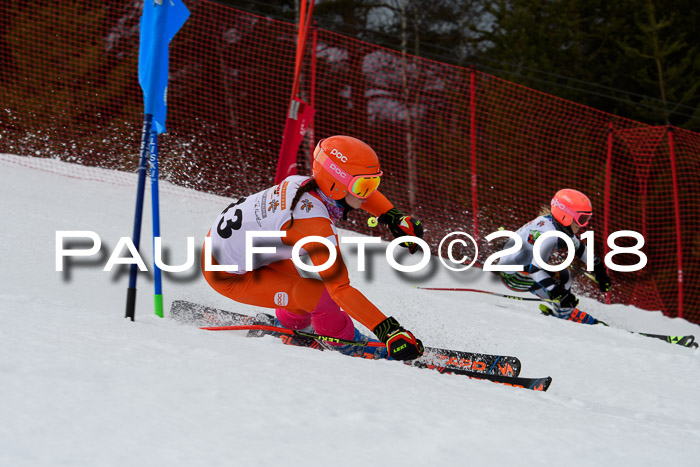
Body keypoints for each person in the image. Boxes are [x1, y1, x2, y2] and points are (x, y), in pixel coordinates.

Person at [201, 135, 425, 360]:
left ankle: (290, 326)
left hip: (241, 251)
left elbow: (352, 192)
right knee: (324, 298)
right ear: (335, 184)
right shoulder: (314, 225)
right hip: (225, 274)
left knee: (307, 291)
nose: (368, 193)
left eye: (373, 183)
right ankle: (348, 344)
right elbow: (341, 289)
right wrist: (390, 332)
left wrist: (392, 216)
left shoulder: (305, 184)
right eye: (364, 186)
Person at [497, 189, 612, 324]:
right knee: (565, 277)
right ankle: (565, 313)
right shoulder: (548, 234)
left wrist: (599, 269)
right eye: (582, 219)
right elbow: (535, 270)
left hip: (521, 269)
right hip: (513, 276)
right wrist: (558, 292)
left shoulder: (555, 224)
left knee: (559, 280)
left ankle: (561, 308)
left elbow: (579, 249)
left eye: (587, 219)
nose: (584, 225)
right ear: (566, 216)